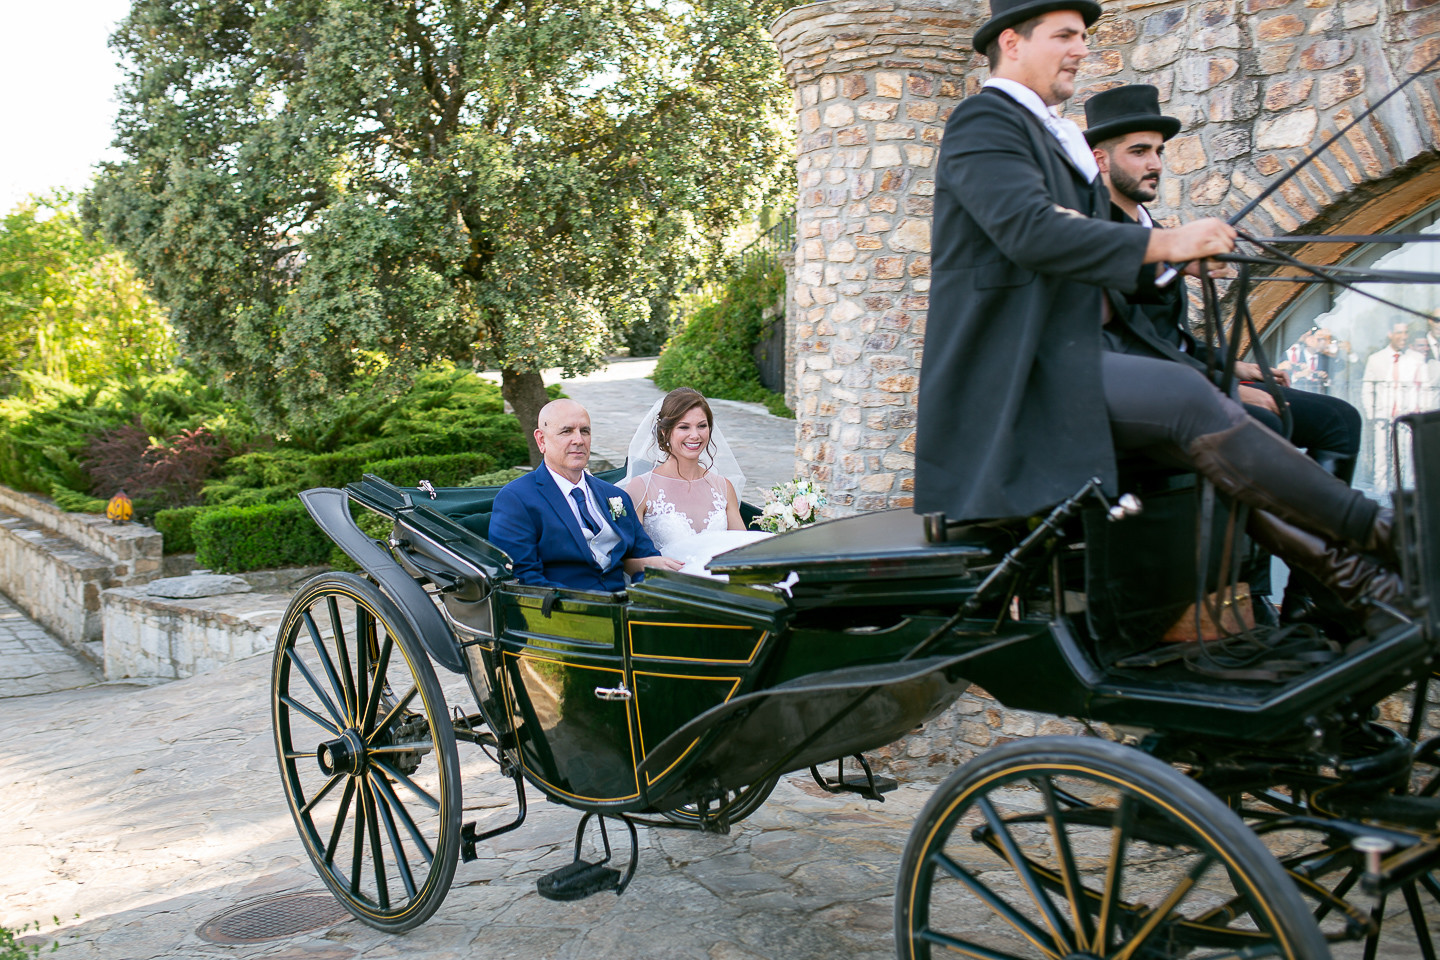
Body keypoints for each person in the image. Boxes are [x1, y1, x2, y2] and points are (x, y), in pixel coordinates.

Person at [915, 0, 1400, 628]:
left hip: (1069, 361)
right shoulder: (984, 120)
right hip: (1015, 377)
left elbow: (1084, 254)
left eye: (1083, 36)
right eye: (1065, 35)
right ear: (1011, 42)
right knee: (1185, 397)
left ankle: (1356, 584)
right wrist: (1168, 243)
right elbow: (1030, 233)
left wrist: (1172, 266)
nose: (1081, 49)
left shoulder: (1047, 133)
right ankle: (1382, 533)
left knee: (1218, 428)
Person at [1084, 84, 1365, 624]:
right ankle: (1248, 588)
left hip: (1187, 372)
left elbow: (1172, 335)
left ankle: (1309, 596)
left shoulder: (1155, 231)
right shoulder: (1101, 236)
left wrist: (1231, 365)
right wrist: (1222, 380)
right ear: (1101, 159)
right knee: (1264, 420)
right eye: (1139, 152)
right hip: (1144, 392)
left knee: (1338, 420)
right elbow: (1131, 341)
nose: (1156, 164)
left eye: (1159, 151)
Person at [489, 398, 682, 591]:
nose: (579, 440)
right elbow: (524, 579)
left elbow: (645, 556)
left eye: (585, 431)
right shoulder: (516, 499)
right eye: (566, 431)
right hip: (564, 612)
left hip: (629, 608)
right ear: (541, 440)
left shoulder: (615, 496)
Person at [622, 388, 769, 576]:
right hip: (671, 589)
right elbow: (622, 561)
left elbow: (742, 548)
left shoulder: (723, 487)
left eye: (702, 426)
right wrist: (650, 564)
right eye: (684, 427)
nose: (695, 435)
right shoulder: (641, 488)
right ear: (665, 432)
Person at [1362, 323, 1430, 491]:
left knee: (1406, 460)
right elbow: (1367, 388)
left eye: (1406, 333)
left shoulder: (1416, 359)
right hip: (1383, 417)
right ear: (1390, 333)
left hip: (1407, 417)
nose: (1404, 337)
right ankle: (1381, 497)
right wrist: (1372, 414)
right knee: (1382, 459)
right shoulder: (1376, 358)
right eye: (1399, 332)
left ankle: (1404, 498)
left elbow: (1425, 387)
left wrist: (1421, 411)